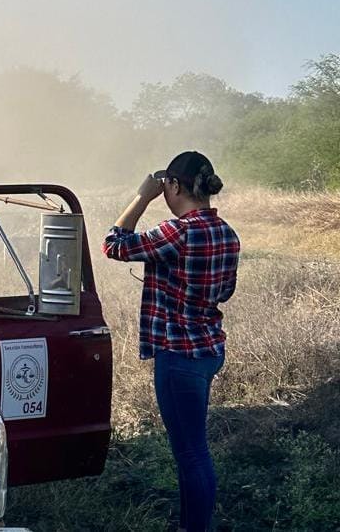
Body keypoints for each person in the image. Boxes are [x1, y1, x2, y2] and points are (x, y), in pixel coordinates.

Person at [103, 151, 240, 532]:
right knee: (192, 450)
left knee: (192, 453)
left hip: (178, 356)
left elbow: (113, 244)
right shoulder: (227, 233)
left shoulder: (177, 232)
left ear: (175, 186)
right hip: (208, 350)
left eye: (166, 186)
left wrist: (141, 197)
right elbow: (225, 292)